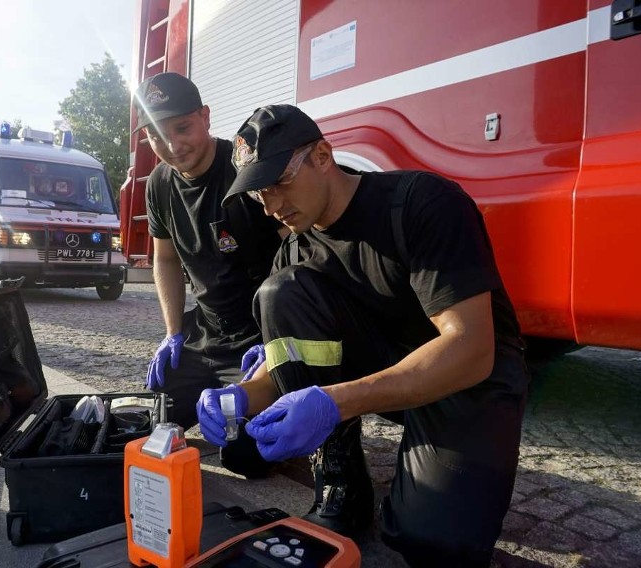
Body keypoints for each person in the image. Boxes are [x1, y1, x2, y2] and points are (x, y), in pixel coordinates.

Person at [196, 104, 530, 567]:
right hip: (385, 367)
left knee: (432, 542)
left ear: (322, 155)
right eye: (258, 194)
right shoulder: (294, 248)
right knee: (280, 294)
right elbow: (287, 365)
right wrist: (238, 397)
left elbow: (472, 349)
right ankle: (342, 482)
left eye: (278, 183)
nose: (271, 205)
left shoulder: (422, 202)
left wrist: (336, 402)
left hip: (466, 379)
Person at [133, 73, 284, 475]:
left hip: (257, 337)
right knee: (156, 423)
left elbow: (299, 249)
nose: (172, 146)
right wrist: (171, 333)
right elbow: (164, 260)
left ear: (205, 117)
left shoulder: (245, 169)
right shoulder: (159, 184)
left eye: (182, 128)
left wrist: (279, 344)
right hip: (205, 334)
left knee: (246, 458)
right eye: (155, 137)